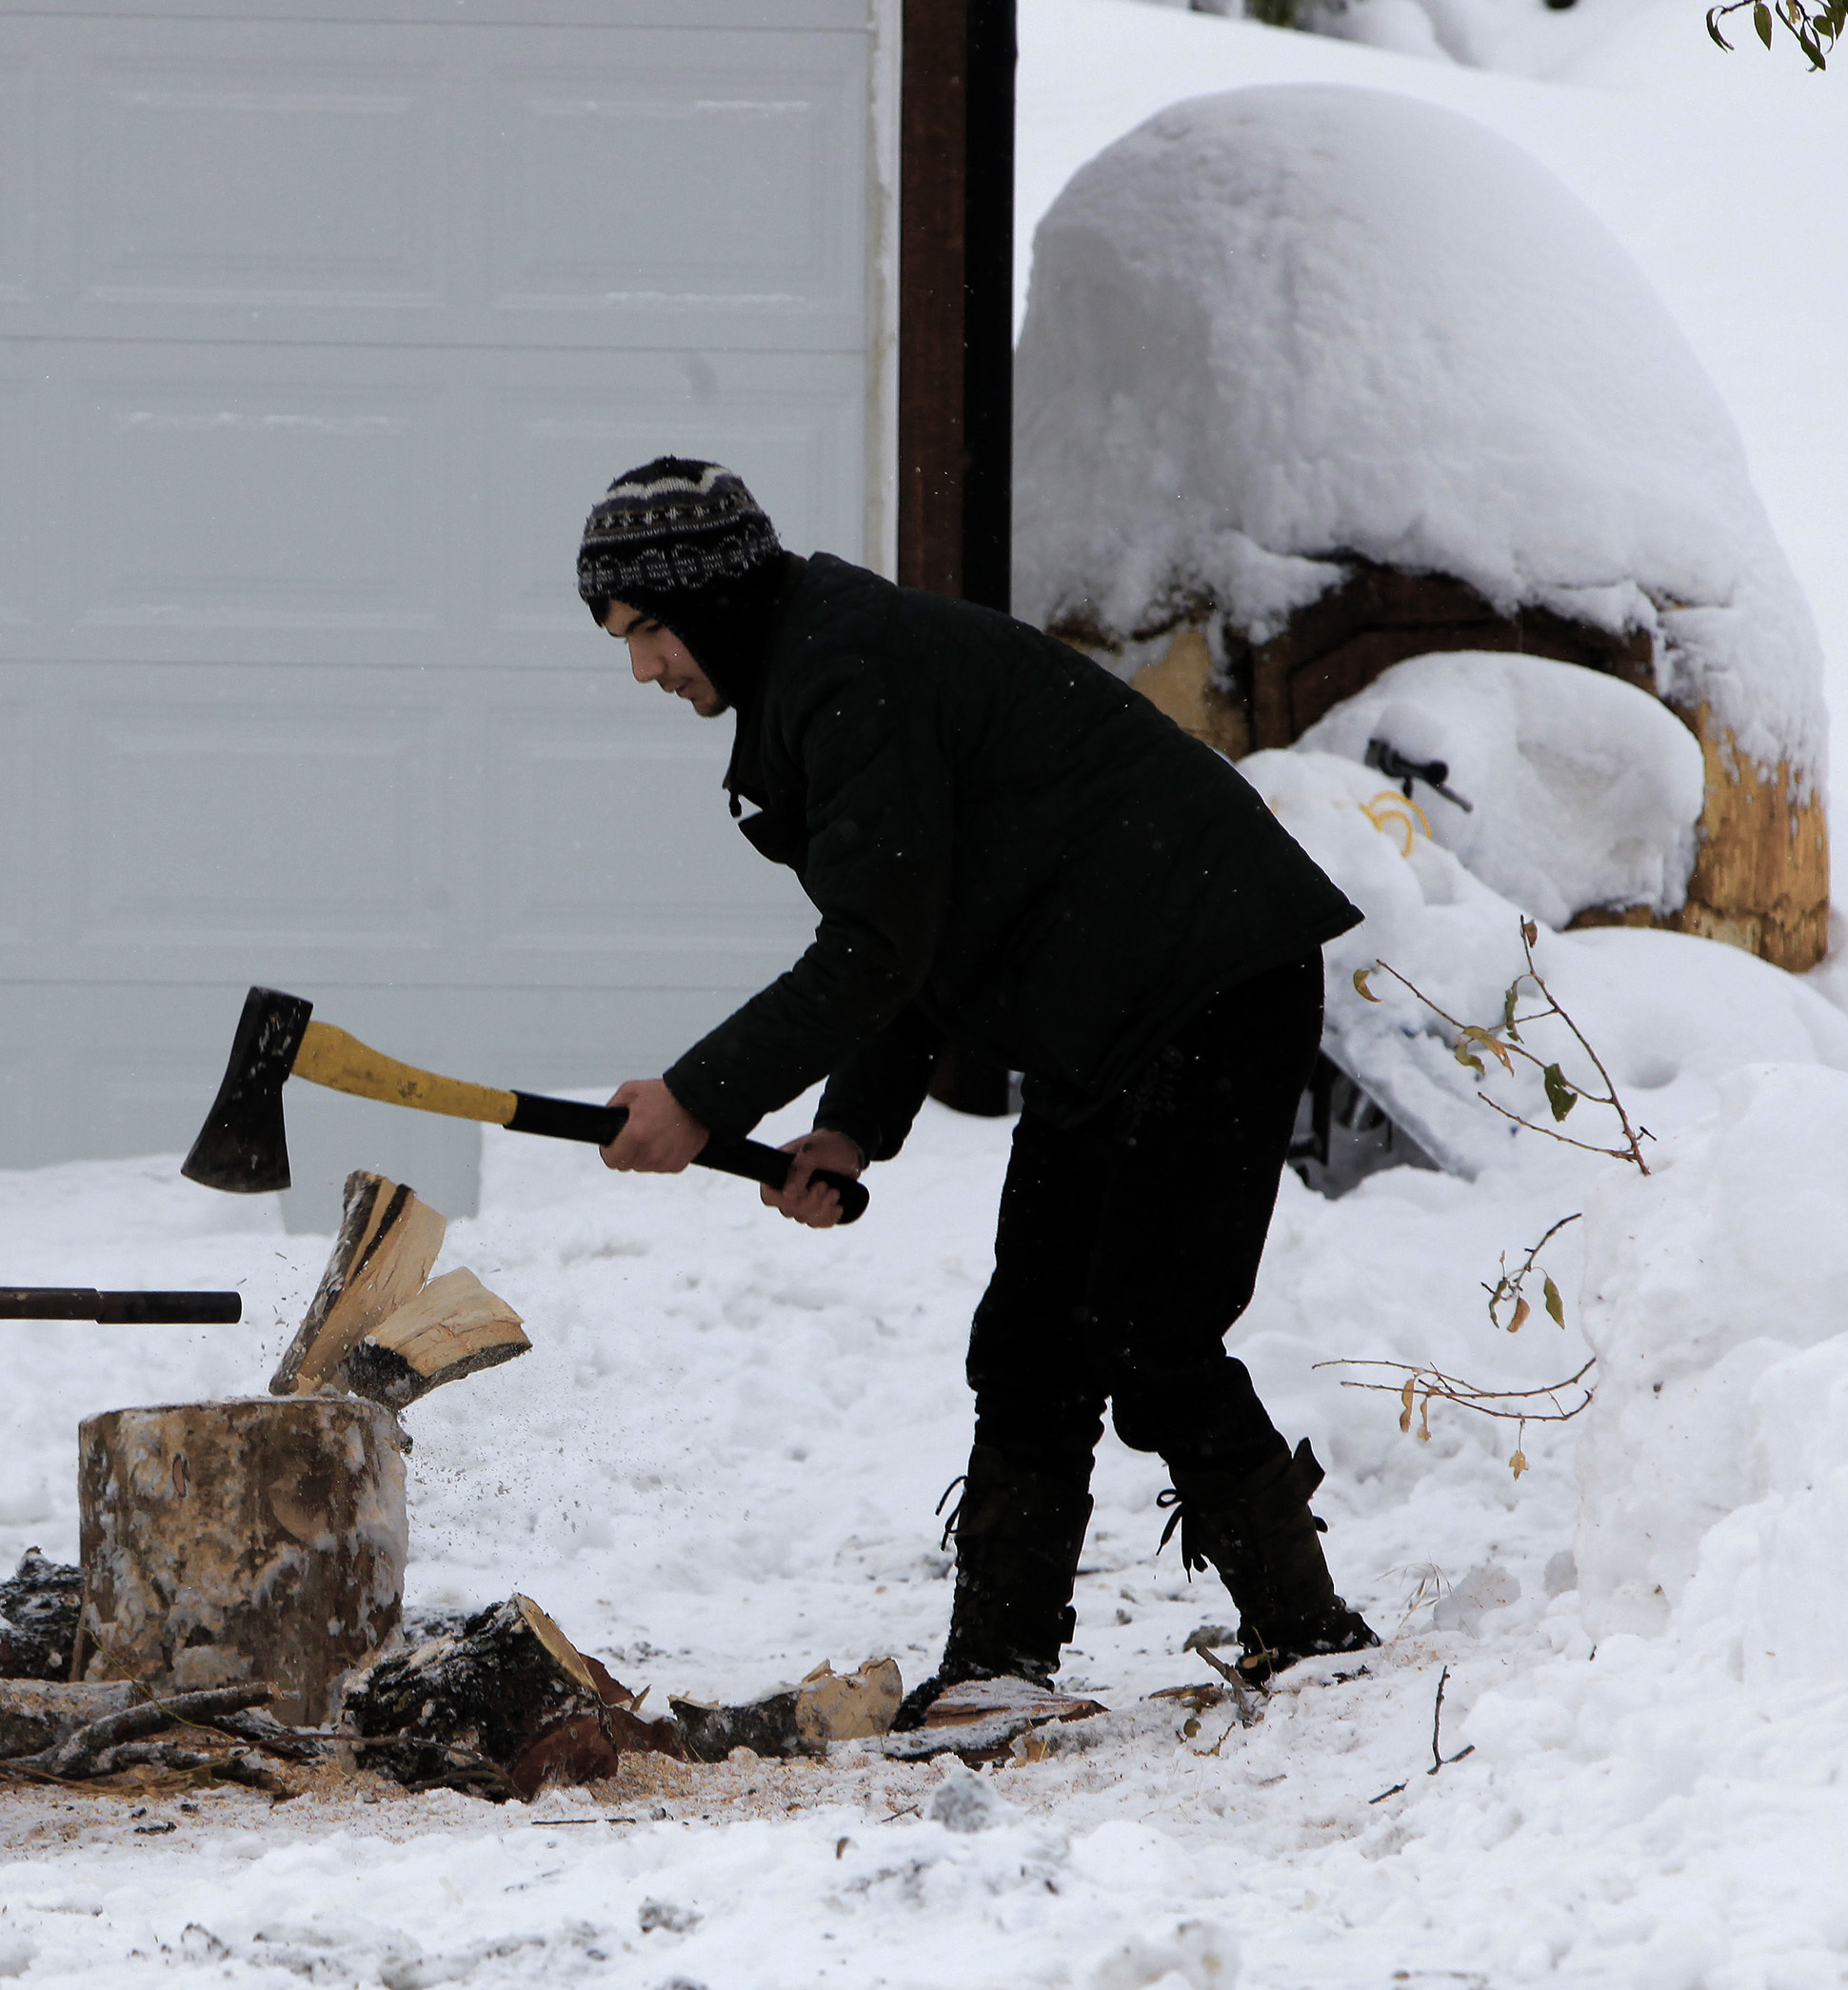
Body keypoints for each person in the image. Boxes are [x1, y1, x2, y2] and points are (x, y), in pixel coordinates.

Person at [574, 457, 1381, 1721]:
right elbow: (919, 930)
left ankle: (1316, 1641)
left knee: (1152, 1336)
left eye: (648, 632)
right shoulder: (813, 670)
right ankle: (1001, 1668)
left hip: (1204, 977)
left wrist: (700, 1095)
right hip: (1098, 1009)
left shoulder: (844, 671)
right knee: (1030, 1344)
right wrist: (848, 1127)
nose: (643, 669)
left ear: (715, 599)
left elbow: (877, 949)